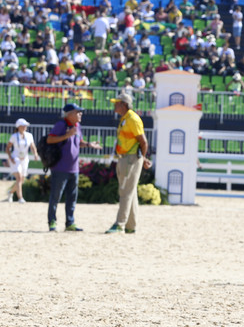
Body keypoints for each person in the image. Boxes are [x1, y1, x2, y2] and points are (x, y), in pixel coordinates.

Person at [47, 103, 102, 232]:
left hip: (74, 169)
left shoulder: (78, 126)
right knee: (55, 197)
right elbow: (50, 140)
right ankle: (52, 222)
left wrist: (88, 144)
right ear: (69, 114)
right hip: (60, 168)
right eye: (78, 112)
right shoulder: (61, 125)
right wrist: (67, 135)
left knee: (72, 198)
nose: (80, 114)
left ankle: (70, 223)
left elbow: (79, 142)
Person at [105, 93, 152, 234]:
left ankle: (120, 223)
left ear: (124, 104)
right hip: (126, 157)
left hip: (130, 159)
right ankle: (131, 226)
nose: (114, 105)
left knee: (125, 191)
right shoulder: (126, 119)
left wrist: (141, 159)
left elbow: (143, 142)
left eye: (117, 102)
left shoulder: (132, 119)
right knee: (130, 192)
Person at [5, 118, 38, 203]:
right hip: (15, 158)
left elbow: (33, 146)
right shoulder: (14, 136)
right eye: (23, 125)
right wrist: (10, 158)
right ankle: (20, 198)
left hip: (24, 159)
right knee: (19, 178)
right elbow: (8, 148)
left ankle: (11, 192)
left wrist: (35, 154)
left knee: (22, 180)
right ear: (18, 126)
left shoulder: (29, 135)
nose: (25, 127)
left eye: (25, 125)